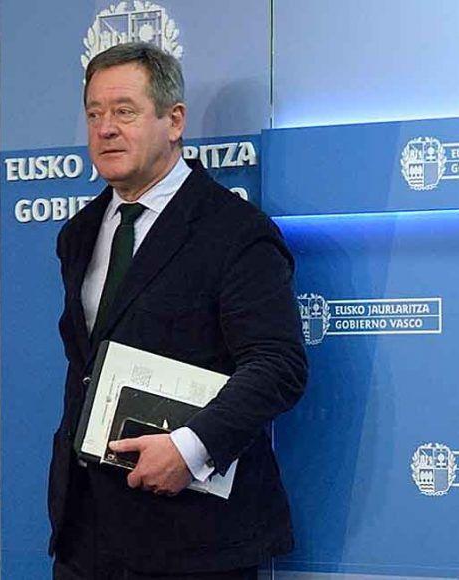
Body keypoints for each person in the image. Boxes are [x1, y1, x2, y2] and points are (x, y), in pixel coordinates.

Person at [49, 41, 308, 579]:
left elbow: (277, 365)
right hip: (86, 534)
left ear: (174, 121)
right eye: (94, 114)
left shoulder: (235, 231)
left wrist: (190, 449)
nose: (105, 129)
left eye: (124, 111)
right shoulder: (79, 233)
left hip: (195, 538)